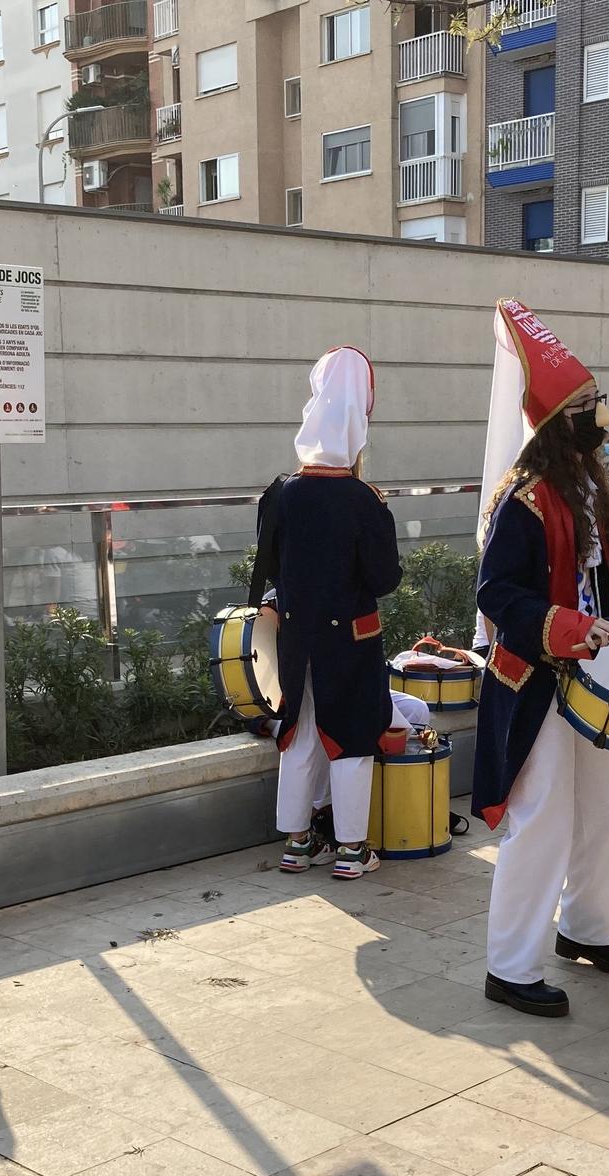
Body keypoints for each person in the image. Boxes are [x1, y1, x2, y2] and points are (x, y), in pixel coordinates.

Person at [473, 300, 609, 1018]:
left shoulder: (588, 487)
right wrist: (568, 628)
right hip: (538, 680)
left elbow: (600, 574)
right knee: (544, 820)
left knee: (600, 809)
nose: (603, 416)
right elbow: (498, 594)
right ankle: (510, 965)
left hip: (591, 673)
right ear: (561, 421)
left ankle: (585, 930)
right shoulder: (523, 500)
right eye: (588, 406)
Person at [254, 346, 402, 880]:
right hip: (353, 639)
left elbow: (269, 567)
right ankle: (352, 848)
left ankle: (296, 843)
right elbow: (385, 579)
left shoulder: (280, 493)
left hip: (297, 635)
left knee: (299, 729)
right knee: (354, 736)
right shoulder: (364, 500)